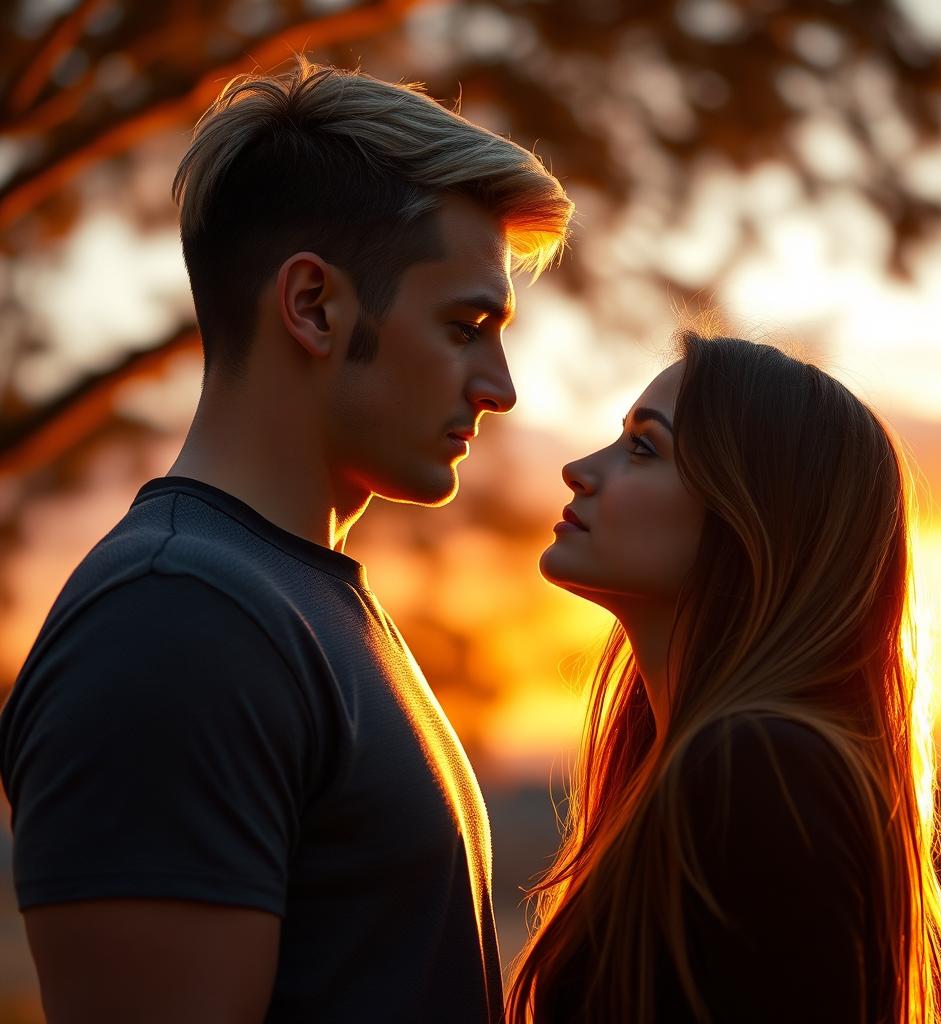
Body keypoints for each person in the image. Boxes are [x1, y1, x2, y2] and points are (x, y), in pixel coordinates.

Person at [0, 58, 572, 1023]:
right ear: (313, 306)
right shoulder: (173, 621)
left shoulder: (290, 605)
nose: (500, 386)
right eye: (466, 324)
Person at [507, 332, 941, 1024]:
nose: (579, 469)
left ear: (747, 514)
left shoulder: (759, 768)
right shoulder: (713, 764)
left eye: (643, 448)